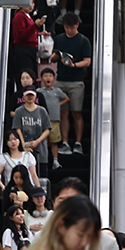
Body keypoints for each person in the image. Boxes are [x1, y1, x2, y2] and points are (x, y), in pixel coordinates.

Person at [51, 12, 91, 156]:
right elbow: (55, 55)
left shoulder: (83, 40)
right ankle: (65, 142)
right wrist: (55, 57)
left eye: (71, 27)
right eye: (67, 27)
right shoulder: (59, 39)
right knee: (63, 113)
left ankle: (78, 142)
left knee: (76, 112)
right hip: (61, 79)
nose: (69, 30)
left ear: (77, 25)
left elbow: (87, 61)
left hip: (76, 81)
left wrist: (74, 65)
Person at [14, 88, 53, 173]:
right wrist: (23, 144)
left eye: (32, 95)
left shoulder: (42, 110)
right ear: (23, 96)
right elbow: (17, 129)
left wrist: (37, 141)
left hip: (41, 148)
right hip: (24, 148)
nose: (30, 97)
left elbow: (47, 129)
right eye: (27, 95)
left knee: (41, 173)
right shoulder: (18, 111)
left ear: (35, 96)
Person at [37, 67, 69, 167]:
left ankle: (55, 160)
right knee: (43, 141)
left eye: (50, 76)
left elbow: (67, 98)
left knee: (54, 140)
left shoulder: (57, 90)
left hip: (54, 119)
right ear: (41, 78)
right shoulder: (38, 91)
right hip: (41, 120)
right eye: (45, 76)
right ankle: (44, 161)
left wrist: (58, 104)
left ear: (54, 79)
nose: (48, 78)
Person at [11, 8, 44, 91]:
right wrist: (35, 26)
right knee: (26, 74)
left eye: (32, 4)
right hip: (23, 50)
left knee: (32, 75)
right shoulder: (19, 16)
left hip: (31, 50)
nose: (31, 6)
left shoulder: (27, 16)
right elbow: (21, 36)